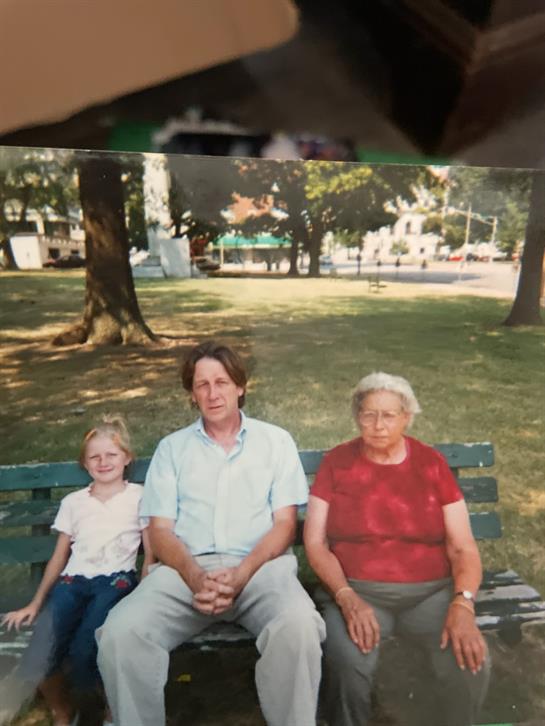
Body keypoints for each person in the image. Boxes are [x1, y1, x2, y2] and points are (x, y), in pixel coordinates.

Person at [96, 341, 325, 726]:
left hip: (260, 568)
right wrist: (195, 575)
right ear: (191, 394)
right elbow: (162, 531)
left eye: (221, 381)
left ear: (240, 386)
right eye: (201, 384)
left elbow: (285, 525)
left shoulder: (275, 442)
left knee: (299, 627)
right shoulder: (173, 449)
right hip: (186, 571)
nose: (212, 393)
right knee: (122, 633)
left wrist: (242, 574)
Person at [304, 372, 490, 726]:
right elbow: (315, 542)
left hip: (431, 595)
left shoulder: (431, 464)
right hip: (358, 592)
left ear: (407, 417)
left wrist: (462, 603)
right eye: (368, 414)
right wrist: (345, 597)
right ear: (357, 416)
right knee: (347, 663)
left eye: (389, 415)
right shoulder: (337, 462)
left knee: (469, 657)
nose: (377, 425)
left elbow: (463, 547)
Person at [0, 415, 154, 726]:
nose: (103, 461)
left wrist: (147, 582)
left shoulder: (139, 496)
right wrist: (35, 603)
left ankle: (112, 708)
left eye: (111, 454)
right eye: (94, 457)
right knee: (38, 652)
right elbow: (59, 557)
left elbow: (150, 551)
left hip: (116, 584)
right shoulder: (74, 502)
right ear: (84, 463)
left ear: (127, 458)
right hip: (71, 584)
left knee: (87, 647)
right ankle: (63, 711)